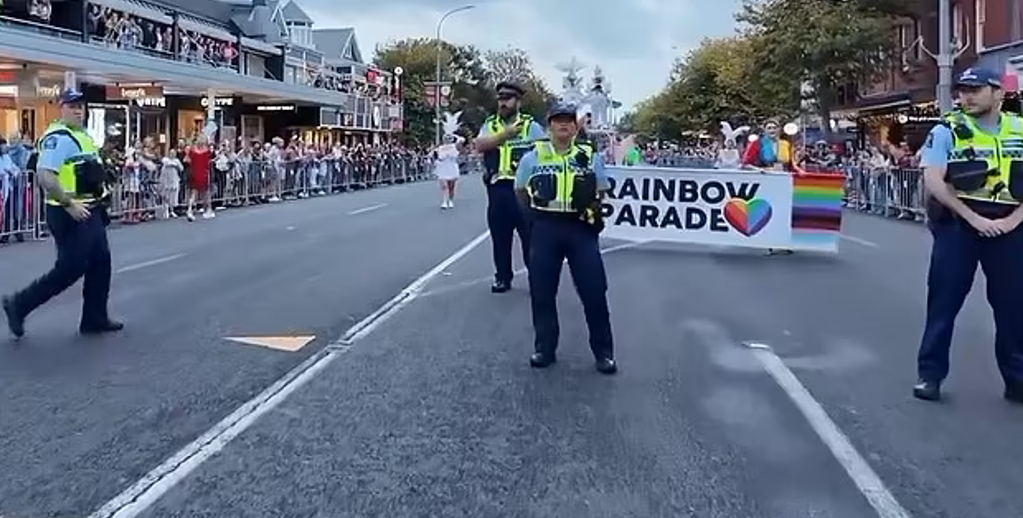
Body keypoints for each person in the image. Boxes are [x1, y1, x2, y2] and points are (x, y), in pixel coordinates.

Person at [914, 67, 1023, 403]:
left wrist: (1013, 221)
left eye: (975, 90)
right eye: (962, 91)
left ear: (998, 93)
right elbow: (935, 180)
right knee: (943, 301)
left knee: (1013, 306)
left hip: (1010, 224)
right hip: (959, 223)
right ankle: (930, 375)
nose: (966, 97)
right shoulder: (947, 130)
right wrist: (973, 218)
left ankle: (1017, 379)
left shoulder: (1019, 129)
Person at [2, 88, 123, 339]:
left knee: (101, 263)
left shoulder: (82, 136)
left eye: (81, 106)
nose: (78, 110)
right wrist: (69, 204)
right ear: (61, 107)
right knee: (70, 268)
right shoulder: (59, 138)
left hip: (90, 208)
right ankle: (19, 305)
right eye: (72, 106)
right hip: (68, 212)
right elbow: (47, 176)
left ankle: (95, 317)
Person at [514, 102, 616, 375]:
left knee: (594, 291)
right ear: (548, 126)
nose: (563, 125)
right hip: (546, 226)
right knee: (542, 292)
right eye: (557, 121)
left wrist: (591, 209)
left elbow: (602, 188)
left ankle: (604, 352)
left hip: (580, 227)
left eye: (568, 121)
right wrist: (534, 218)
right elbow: (520, 190)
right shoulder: (532, 156)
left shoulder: (589, 155)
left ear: (575, 126)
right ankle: (544, 348)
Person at [474, 80, 546, 293]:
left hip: (524, 189)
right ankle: (502, 277)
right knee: (500, 237)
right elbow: (480, 145)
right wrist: (505, 135)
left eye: (508, 98)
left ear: (518, 101)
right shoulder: (492, 124)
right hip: (498, 189)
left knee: (529, 237)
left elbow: (544, 153)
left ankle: (536, 276)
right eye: (500, 99)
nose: (503, 103)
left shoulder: (531, 126)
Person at [434, 112, 465, 209]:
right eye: (446, 138)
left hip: (452, 166)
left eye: (449, 138)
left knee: (451, 186)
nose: (447, 139)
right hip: (443, 167)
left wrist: (454, 135)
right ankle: (444, 201)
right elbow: (436, 156)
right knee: (444, 186)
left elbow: (462, 140)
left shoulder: (455, 147)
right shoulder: (440, 148)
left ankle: (450, 200)